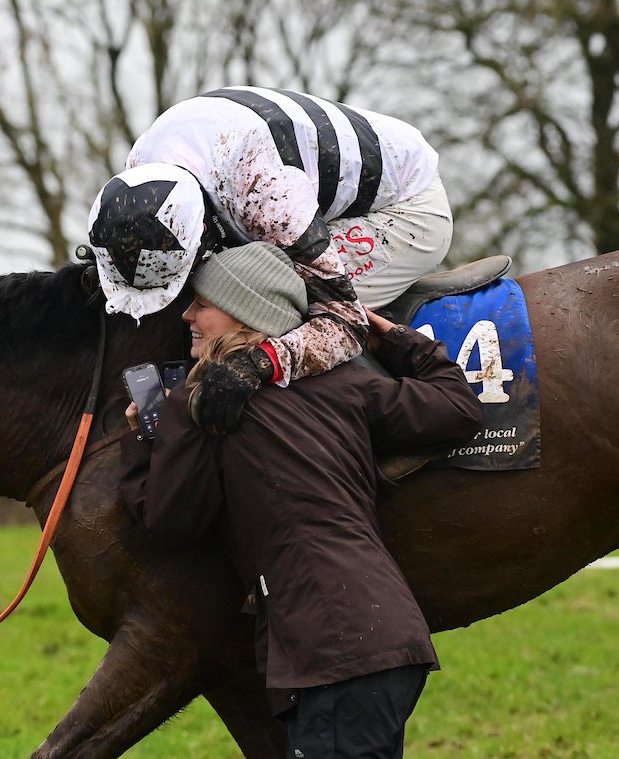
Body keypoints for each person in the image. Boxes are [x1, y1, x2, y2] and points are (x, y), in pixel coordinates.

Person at [118, 242, 481, 758]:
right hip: (384, 639)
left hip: (331, 652)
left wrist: (144, 444)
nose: (187, 315)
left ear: (243, 312)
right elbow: (457, 408)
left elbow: (169, 522)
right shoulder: (344, 384)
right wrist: (395, 339)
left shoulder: (196, 407)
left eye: (202, 303)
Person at [88, 86, 452, 434]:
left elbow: (345, 324)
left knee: (269, 314)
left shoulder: (266, 198)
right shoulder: (139, 175)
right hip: (289, 179)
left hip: (406, 207)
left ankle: (347, 441)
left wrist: (256, 365)